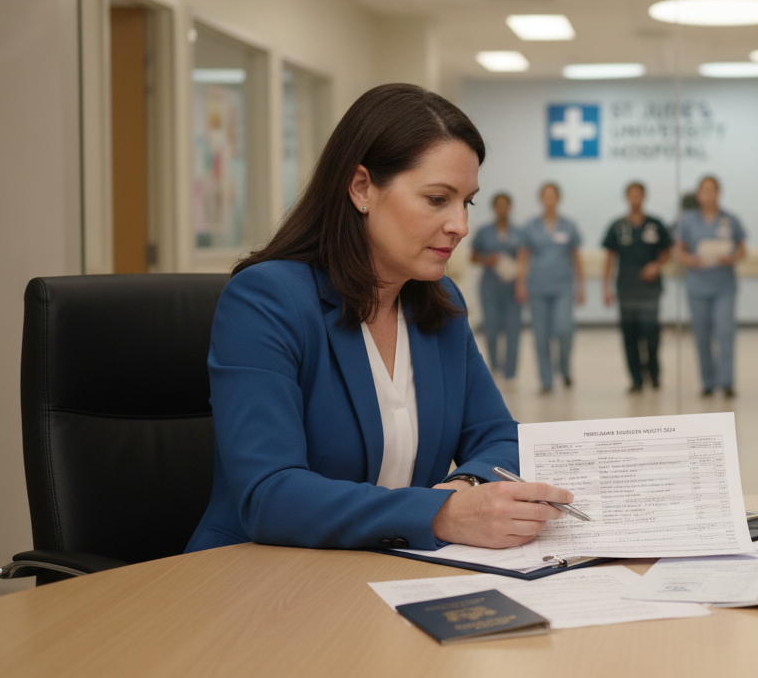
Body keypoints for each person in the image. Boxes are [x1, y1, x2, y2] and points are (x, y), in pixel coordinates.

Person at [186, 83, 572, 554]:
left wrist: (463, 490)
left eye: (466, 202)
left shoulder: (437, 302)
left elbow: (500, 438)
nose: (461, 226)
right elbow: (270, 494)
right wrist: (441, 515)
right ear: (362, 188)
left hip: (393, 571)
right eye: (437, 199)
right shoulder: (266, 301)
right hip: (262, 581)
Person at [676, 175, 747, 398]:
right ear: (698, 195)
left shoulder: (730, 220)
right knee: (701, 334)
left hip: (723, 285)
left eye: (712, 190)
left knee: (725, 333)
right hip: (697, 285)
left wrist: (732, 257)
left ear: (719, 193)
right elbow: (679, 251)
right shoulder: (688, 220)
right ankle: (707, 382)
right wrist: (691, 260)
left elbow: (743, 250)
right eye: (704, 190)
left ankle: (726, 382)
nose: (708, 195)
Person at [602, 182, 673, 392]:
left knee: (650, 332)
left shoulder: (655, 224)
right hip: (626, 289)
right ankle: (636, 379)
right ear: (626, 198)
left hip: (650, 290)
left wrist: (656, 266)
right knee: (629, 334)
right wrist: (606, 288)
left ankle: (654, 373)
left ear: (644, 197)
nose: (635, 199)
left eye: (638, 195)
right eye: (631, 195)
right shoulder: (618, 226)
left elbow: (668, 251)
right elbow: (609, 258)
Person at [516, 182, 584, 392]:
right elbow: (524, 256)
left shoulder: (568, 225)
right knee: (540, 335)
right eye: (546, 196)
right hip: (537, 287)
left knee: (564, 329)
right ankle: (546, 380)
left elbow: (575, 257)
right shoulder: (531, 226)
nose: (549, 200)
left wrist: (581, 285)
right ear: (541, 199)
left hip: (563, 286)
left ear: (558, 199)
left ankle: (564, 369)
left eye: (553, 196)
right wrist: (520, 283)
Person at [471, 192, 523, 383]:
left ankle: (510, 374)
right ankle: (494, 368)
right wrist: (487, 259)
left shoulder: (519, 232)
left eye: (505, 205)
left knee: (513, 332)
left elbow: (525, 258)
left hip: (512, 289)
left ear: (510, 207)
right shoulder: (484, 232)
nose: (502, 209)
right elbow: (473, 257)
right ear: (494, 208)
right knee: (491, 330)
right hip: (490, 288)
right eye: (498, 205)